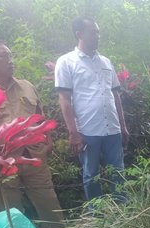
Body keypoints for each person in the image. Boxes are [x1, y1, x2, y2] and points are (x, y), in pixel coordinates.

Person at [0, 38, 63, 228]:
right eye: (4, 56)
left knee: (50, 207)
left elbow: (40, 118)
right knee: (11, 215)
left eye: (11, 55)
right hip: (1, 166)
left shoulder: (26, 86)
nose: (11, 60)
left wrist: (48, 143)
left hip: (35, 158)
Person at [55, 17, 129, 201]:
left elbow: (116, 95)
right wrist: (73, 132)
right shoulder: (66, 62)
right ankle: (97, 217)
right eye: (93, 32)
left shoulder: (106, 62)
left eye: (98, 32)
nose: (97, 36)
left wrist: (123, 125)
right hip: (88, 130)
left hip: (112, 128)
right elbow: (64, 99)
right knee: (91, 175)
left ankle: (125, 213)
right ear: (79, 34)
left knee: (118, 173)